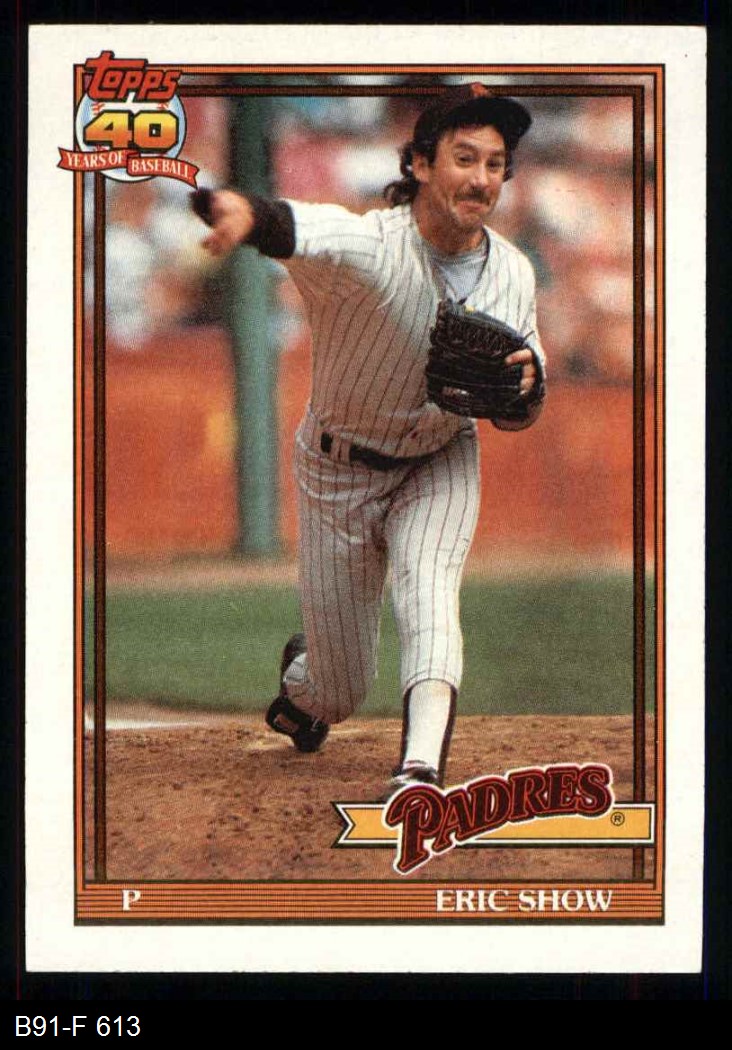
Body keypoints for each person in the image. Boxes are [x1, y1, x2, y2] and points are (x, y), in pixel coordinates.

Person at [196, 83, 546, 798]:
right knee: (338, 689)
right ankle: (305, 683)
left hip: (440, 459)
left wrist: (527, 386)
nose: (481, 178)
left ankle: (419, 770)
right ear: (420, 163)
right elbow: (301, 228)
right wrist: (247, 215)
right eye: (464, 158)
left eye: (494, 164)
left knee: (429, 592)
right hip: (339, 471)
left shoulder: (513, 271)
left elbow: (521, 402)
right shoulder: (371, 247)